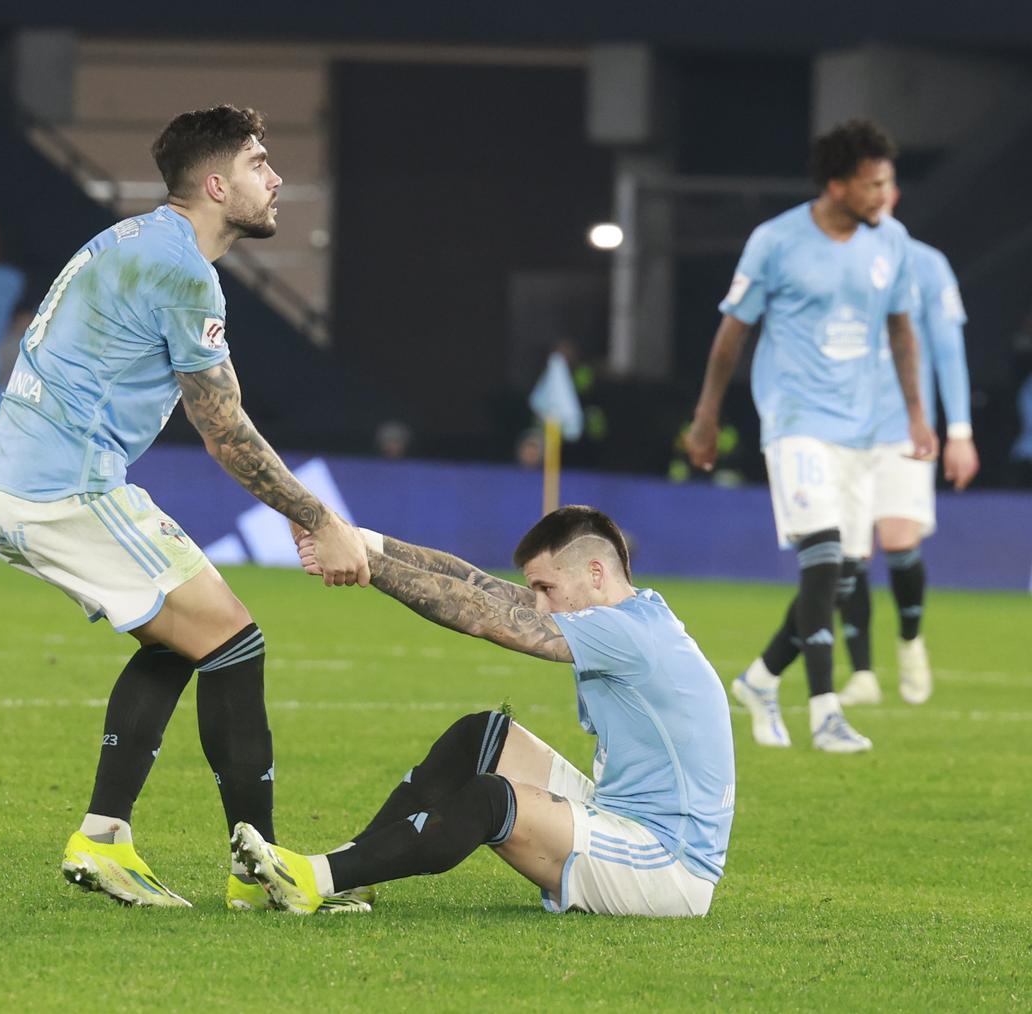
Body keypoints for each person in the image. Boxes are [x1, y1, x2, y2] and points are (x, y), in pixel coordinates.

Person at [0, 104, 369, 910]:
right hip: (67, 488)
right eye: (261, 162)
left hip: (27, 480)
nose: (277, 177)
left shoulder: (135, 239)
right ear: (218, 183)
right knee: (235, 640)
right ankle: (259, 877)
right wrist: (317, 516)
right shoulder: (182, 269)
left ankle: (106, 837)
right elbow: (225, 432)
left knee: (185, 638)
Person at [233, 505, 735, 917]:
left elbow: (479, 615)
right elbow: (475, 584)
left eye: (545, 589)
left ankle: (313, 878)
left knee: (492, 800)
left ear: (596, 573)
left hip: (668, 865)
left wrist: (365, 565)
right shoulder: (626, 613)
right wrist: (358, 541)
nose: (538, 605)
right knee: (483, 736)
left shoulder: (627, 633)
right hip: (625, 817)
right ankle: (347, 875)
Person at [684, 119, 937, 753]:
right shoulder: (776, 242)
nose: (886, 194)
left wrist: (914, 415)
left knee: (843, 576)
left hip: (862, 431)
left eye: (889, 181)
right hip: (796, 421)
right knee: (822, 552)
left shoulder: (891, 244)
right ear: (837, 184)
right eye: (874, 183)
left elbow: (903, 332)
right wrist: (707, 417)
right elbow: (731, 335)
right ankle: (825, 711)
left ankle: (761, 678)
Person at [831, 185, 979, 707]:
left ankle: (911, 640)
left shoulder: (926, 265)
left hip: (904, 430)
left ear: (892, 195)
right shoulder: (834, 263)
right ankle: (864, 674)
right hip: (842, 434)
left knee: (899, 543)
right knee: (849, 554)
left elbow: (949, 351)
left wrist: (959, 431)